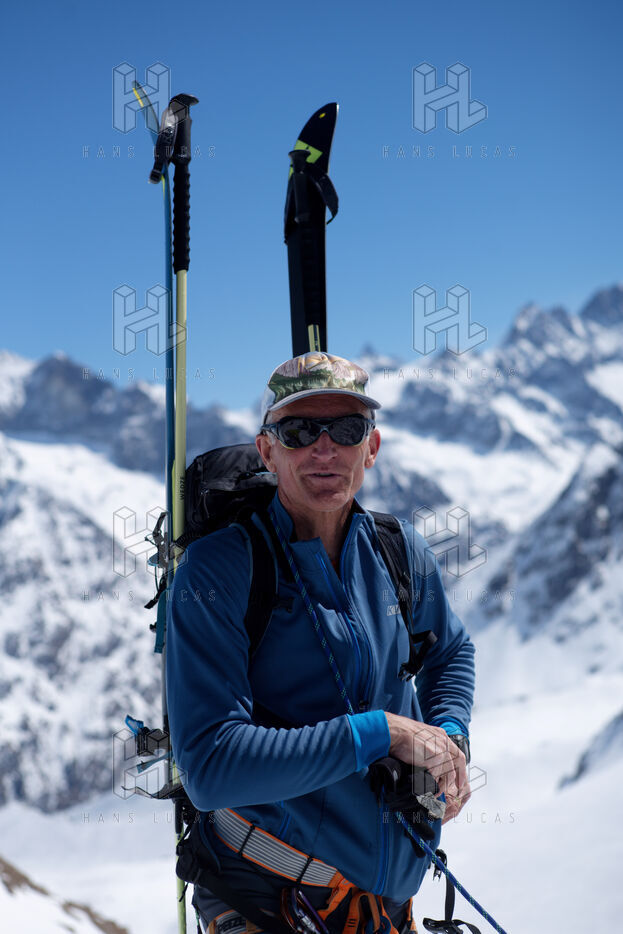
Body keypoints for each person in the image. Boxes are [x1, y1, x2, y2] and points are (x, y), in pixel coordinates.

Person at [167, 352, 475, 934]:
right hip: (268, 900)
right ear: (268, 451)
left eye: (347, 429)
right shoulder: (219, 571)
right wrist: (383, 733)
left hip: (386, 907)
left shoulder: (398, 550)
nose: (325, 449)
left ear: (371, 447)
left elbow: (450, 652)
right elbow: (211, 767)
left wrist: (448, 735)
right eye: (300, 431)